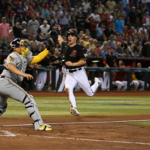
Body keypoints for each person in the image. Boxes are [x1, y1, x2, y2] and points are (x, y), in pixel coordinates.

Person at [0, 38, 54, 131]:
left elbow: (37, 58)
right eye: (22, 46)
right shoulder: (13, 55)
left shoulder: (23, 57)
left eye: (24, 45)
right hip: (6, 81)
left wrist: (48, 49)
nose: (24, 47)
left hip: (5, 82)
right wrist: (23, 74)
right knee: (29, 99)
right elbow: (10, 66)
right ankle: (39, 124)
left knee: (1, 107)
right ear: (15, 48)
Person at [56, 26, 102, 116]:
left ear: (76, 38)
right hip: (69, 74)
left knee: (90, 94)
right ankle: (74, 108)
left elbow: (83, 61)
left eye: (72, 35)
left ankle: (97, 82)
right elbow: (60, 41)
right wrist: (58, 32)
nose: (70, 37)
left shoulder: (79, 48)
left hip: (79, 72)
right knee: (68, 89)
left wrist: (73, 64)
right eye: (69, 35)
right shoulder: (65, 45)